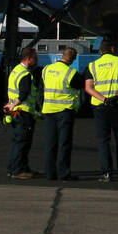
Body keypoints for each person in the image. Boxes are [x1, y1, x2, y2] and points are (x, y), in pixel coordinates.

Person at [84, 39, 118, 182]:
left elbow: (88, 87)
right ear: (112, 49)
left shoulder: (93, 65)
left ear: (100, 50)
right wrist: (117, 96)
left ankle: (106, 173)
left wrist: (104, 99)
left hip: (100, 106)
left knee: (103, 141)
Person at [42, 46, 82, 181]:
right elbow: (80, 85)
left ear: (62, 55)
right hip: (64, 111)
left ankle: (49, 173)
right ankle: (63, 173)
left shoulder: (46, 69)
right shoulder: (71, 73)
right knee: (64, 143)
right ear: (73, 59)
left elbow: (41, 88)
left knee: (50, 143)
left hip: (48, 109)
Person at [4, 46, 40, 179]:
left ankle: (16, 167)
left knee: (17, 142)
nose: (37, 60)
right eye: (35, 58)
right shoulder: (25, 74)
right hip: (24, 112)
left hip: (15, 112)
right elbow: (23, 94)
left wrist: (10, 105)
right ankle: (18, 170)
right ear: (29, 59)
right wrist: (15, 103)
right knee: (23, 143)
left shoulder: (15, 71)